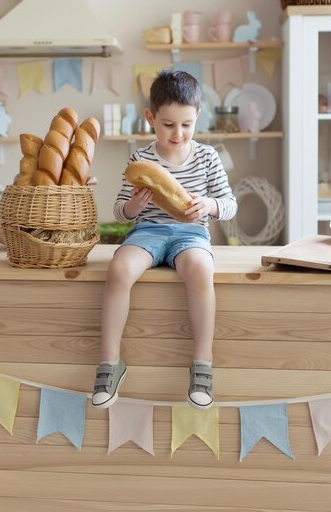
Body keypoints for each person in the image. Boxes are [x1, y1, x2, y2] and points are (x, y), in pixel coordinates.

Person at [92, 70, 237, 410]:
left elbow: (230, 204)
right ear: (150, 118)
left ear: (197, 117)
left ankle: (203, 363)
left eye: (186, 124)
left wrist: (210, 205)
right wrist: (133, 206)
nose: (178, 133)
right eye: (168, 124)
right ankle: (110, 363)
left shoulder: (207, 158)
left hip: (191, 234)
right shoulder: (140, 160)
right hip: (148, 232)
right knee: (119, 269)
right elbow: (119, 211)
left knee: (201, 271)